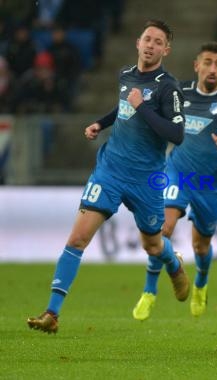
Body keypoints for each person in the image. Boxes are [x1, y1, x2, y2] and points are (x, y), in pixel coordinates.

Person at [27, 20, 189, 334]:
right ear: (137, 42)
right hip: (111, 170)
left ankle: (174, 263)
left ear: (165, 50)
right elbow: (123, 109)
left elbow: (177, 134)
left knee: (154, 245)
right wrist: (101, 124)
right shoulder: (127, 75)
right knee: (77, 238)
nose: (151, 45)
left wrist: (142, 107)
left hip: (147, 179)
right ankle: (52, 313)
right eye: (147, 39)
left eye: (158, 42)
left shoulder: (169, 87)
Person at [132, 41, 217, 321]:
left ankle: (201, 283)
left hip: (212, 184)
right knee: (162, 229)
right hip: (177, 173)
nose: (212, 69)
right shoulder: (178, 93)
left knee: (200, 246)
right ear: (197, 66)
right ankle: (149, 291)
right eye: (207, 62)